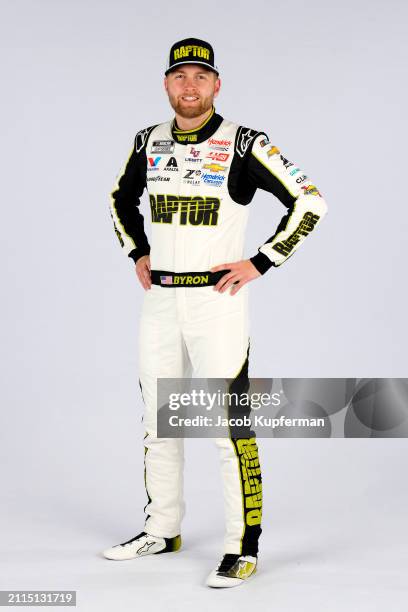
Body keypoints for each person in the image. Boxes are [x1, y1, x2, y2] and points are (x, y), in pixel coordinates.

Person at [103, 37, 327, 588]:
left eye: (201, 76)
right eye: (180, 76)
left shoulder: (244, 143)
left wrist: (262, 261)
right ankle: (163, 528)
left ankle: (241, 546)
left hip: (217, 301)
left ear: (217, 84)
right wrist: (137, 251)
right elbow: (118, 199)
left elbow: (310, 201)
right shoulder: (147, 141)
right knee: (160, 420)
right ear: (165, 84)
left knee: (228, 426)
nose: (190, 85)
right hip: (160, 299)